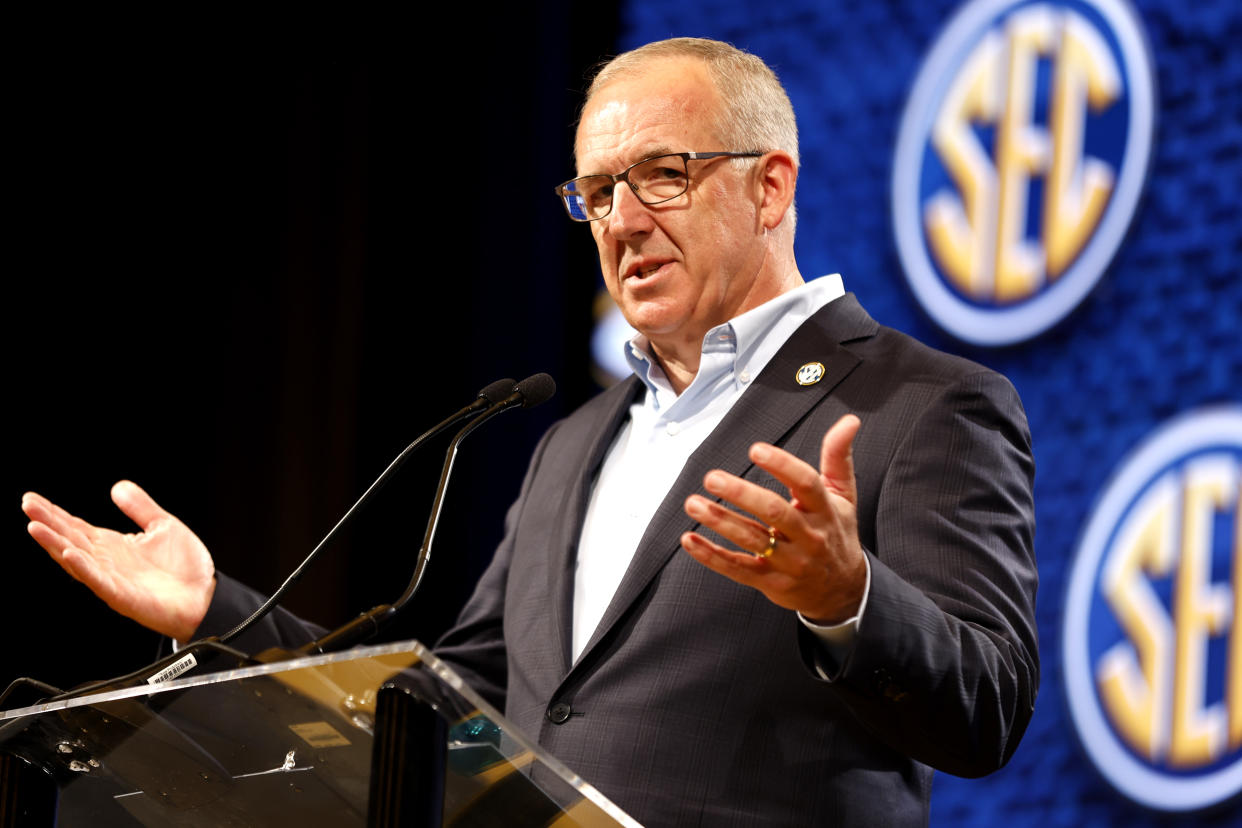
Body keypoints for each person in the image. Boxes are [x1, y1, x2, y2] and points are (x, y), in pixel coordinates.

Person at [21, 38, 1038, 826]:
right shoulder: (575, 440)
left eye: (662, 175)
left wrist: (846, 599)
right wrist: (219, 615)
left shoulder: (925, 402)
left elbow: (988, 707)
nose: (621, 222)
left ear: (769, 186)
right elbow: (448, 705)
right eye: (595, 193)